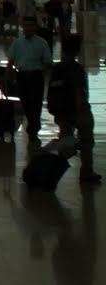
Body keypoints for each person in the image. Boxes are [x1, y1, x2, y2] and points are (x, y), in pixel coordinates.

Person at [48, 33, 101, 185]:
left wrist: (56, 111)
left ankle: (55, 172)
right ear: (77, 49)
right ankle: (86, 171)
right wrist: (79, 113)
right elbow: (79, 91)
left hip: (61, 111)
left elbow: (52, 89)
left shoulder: (57, 68)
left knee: (65, 141)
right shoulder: (76, 68)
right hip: (78, 110)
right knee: (86, 140)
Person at [8, 15, 52, 142]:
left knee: (36, 103)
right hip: (22, 76)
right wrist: (8, 76)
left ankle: (34, 127)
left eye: (30, 25)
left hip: (36, 76)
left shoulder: (42, 43)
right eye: (25, 26)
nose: (27, 28)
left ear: (35, 27)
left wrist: (43, 73)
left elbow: (47, 62)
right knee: (26, 103)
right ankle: (33, 126)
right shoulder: (17, 43)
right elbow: (10, 60)